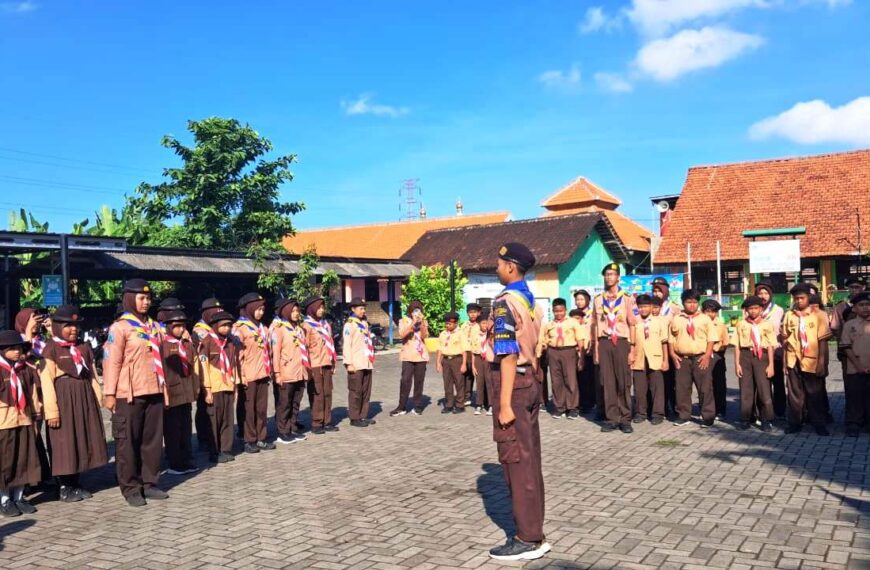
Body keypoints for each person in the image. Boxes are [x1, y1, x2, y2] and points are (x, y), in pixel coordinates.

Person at [487, 242, 548, 561]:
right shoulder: (530, 301)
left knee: (516, 461)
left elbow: (508, 354)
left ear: (511, 267)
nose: (495, 268)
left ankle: (527, 537)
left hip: (512, 384)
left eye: (498, 263)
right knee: (530, 458)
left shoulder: (504, 302)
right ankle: (534, 529)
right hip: (529, 380)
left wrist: (505, 403)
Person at [103, 278, 170, 507]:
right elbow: (112, 362)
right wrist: (109, 393)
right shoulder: (120, 327)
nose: (146, 302)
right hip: (128, 393)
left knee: (151, 441)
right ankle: (130, 487)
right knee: (127, 442)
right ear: (130, 299)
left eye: (148, 298)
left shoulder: (153, 327)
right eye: (141, 298)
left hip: (154, 390)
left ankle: (149, 482)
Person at [38, 306, 108, 502]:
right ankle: (64, 485)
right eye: (68, 326)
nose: (73, 330)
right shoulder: (51, 349)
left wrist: (99, 398)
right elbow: (46, 382)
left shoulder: (83, 347)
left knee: (81, 439)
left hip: (83, 399)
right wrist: (52, 412)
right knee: (64, 442)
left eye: (76, 326)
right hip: (64, 400)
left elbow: (92, 375)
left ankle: (76, 482)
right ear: (58, 327)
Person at [0, 331, 41, 517]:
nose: (18, 352)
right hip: (4, 423)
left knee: (23, 460)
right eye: (13, 348)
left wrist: (35, 416)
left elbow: (32, 395)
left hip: (23, 420)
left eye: (20, 348)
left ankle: (18, 497)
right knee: (5, 463)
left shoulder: (23, 369)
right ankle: (4, 500)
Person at [782, 283, 832, 436]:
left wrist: (822, 362)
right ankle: (795, 423)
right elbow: (785, 340)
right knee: (794, 394)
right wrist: (785, 363)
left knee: (814, 393)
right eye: (796, 298)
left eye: (802, 298)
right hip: (793, 359)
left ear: (809, 297)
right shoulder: (790, 315)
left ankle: (819, 424)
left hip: (812, 360)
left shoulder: (819, 315)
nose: (799, 301)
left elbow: (822, 341)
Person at [592, 263, 636, 433]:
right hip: (604, 342)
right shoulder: (598, 299)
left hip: (622, 342)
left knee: (623, 381)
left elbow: (633, 324)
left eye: (612, 274)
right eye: (606, 274)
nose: (609, 277)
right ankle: (612, 418)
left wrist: (632, 349)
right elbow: (595, 327)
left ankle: (625, 418)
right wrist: (596, 349)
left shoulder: (627, 298)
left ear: (618, 277)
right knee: (607, 382)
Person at [197, 310, 241, 463]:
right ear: (215, 326)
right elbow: (203, 367)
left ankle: (226, 448)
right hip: (214, 387)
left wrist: (235, 384)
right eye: (223, 326)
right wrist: (206, 389)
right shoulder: (207, 342)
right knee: (214, 420)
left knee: (227, 419)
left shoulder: (230, 342)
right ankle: (214, 451)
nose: (227, 329)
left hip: (227, 385)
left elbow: (233, 364)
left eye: (229, 325)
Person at [234, 293, 275, 453]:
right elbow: (237, 356)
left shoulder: (262, 328)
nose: (261, 312)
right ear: (249, 309)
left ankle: (261, 437)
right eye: (257, 309)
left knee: (261, 408)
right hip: (248, 375)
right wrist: (241, 375)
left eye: (262, 309)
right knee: (248, 409)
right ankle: (249, 439)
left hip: (263, 374)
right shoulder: (239, 329)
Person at [160, 310, 199, 475]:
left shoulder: (187, 344)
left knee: (185, 428)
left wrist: (195, 388)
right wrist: (164, 393)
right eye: (176, 326)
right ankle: (174, 462)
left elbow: (194, 366)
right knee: (173, 430)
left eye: (182, 326)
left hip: (186, 391)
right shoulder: (162, 345)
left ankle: (187, 459)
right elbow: (160, 370)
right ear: (168, 327)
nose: (180, 329)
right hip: (172, 393)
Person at [669, 289, 716, 428]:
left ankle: (707, 416)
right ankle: (684, 415)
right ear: (683, 303)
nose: (692, 305)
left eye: (695, 302)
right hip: (682, 358)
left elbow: (711, 338)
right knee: (682, 388)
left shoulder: (705, 318)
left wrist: (707, 355)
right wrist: (672, 354)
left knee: (705, 387)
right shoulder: (677, 319)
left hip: (700, 357)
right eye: (689, 302)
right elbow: (671, 338)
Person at [536, 298, 585, 420]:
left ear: (565, 310)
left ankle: (572, 407)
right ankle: (559, 407)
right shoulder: (549, 325)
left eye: (561, 311)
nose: (558, 313)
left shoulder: (573, 322)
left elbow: (580, 339)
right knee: (556, 380)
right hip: (553, 352)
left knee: (570, 379)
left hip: (569, 351)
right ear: (553, 311)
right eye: (556, 311)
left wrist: (581, 357)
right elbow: (544, 339)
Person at [732, 296, 775, 432]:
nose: (753, 311)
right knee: (746, 389)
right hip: (745, 356)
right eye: (750, 309)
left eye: (756, 308)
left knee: (764, 389)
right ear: (746, 310)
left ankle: (766, 419)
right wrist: (737, 364)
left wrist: (771, 365)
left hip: (761, 357)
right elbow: (737, 345)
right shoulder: (741, 324)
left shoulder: (767, 325)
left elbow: (770, 346)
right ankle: (746, 418)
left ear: (761, 309)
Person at [270, 298, 309, 444]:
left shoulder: (298, 329)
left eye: (297, 311)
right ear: (285, 312)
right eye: (293, 311)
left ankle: (292, 428)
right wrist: (277, 373)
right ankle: (283, 432)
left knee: (295, 402)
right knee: (284, 404)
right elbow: (276, 353)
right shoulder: (278, 329)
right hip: (286, 373)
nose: (296, 313)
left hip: (299, 371)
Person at [630, 294, 668, 425]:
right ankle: (641, 412)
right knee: (639, 388)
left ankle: (657, 413)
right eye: (640, 307)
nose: (643, 309)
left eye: (645, 306)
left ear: (651, 307)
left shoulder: (659, 322)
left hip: (655, 358)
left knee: (657, 387)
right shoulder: (635, 322)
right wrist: (631, 355)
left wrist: (666, 360)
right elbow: (632, 342)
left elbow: (664, 342)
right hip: (639, 358)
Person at [191, 297, 224, 450]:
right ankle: (203, 437)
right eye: (213, 311)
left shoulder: (214, 327)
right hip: (203, 372)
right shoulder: (200, 330)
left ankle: (212, 436)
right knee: (203, 407)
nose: (216, 314)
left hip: (217, 373)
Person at [302, 296, 338, 434]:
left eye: (323, 307)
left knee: (328, 392)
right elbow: (304, 347)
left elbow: (331, 344)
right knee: (317, 393)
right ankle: (317, 422)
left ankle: (327, 421)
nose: (322, 310)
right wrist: (307, 367)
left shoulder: (325, 324)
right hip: (315, 364)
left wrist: (333, 362)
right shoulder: (306, 326)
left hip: (326, 362)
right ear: (311, 309)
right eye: (319, 307)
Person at [840, 291, 870, 437]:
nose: (865, 308)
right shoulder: (849, 325)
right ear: (855, 308)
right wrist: (858, 366)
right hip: (855, 368)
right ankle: (854, 424)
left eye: (868, 305)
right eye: (861, 305)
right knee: (854, 397)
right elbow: (846, 347)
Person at [342, 298, 376, 428]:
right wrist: (348, 363)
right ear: (353, 309)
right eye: (360, 308)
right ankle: (354, 417)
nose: (363, 310)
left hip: (366, 362)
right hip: (356, 363)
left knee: (366, 391)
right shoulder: (349, 325)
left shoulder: (364, 323)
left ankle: (363, 415)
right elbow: (346, 345)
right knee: (356, 391)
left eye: (364, 308)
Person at [392, 301, 429, 416]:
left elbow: (424, 336)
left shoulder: (424, 321)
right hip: (408, 354)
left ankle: (418, 405)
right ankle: (401, 406)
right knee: (405, 381)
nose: (416, 312)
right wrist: (413, 323)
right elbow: (402, 335)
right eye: (414, 310)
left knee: (419, 380)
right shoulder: (403, 321)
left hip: (421, 355)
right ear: (410, 311)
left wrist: (421, 323)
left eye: (418, 310)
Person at [755, 281, 786, 419]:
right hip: (759, 351)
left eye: (766, 293)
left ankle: (780, 411)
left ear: (770, 295)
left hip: (776, 350)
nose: (763, 296)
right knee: (760, 383)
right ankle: (762, 412)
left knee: (778, 382)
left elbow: (782, 331)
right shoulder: (750, 309)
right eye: (760, 293)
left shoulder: (778, 310)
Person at [651, 277, 678, 419]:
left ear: (666, 290)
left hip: (669, 347)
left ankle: (673, 407)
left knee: (670, 381)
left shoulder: (674, 308)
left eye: (659, 291)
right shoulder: (649, 307)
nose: (656, 294)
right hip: (653, 348)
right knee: (655, 380)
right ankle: (658, 408)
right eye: (654, 291)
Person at [702, 299, 730, 420]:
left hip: (717, 355)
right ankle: (707, 409)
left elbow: (726, 341)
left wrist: (718, 348)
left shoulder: (720, 324)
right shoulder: (699, 323)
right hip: (703, 355)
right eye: (708, 311)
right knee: (705, 384)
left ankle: (720, 410)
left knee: (719, 384)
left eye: (714, 312)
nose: (711, 314)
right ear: (703, 312)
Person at [437, 312, 467, 414]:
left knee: (459, 383)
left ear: (455, 323)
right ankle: (449, 404)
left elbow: (464, 350)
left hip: (457, 360)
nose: (447, 325)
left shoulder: (460, 333)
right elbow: (440, 349)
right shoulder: (443, 334)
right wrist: (438, 363)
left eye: (449, 324)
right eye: (446, 323)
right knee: (447, 383)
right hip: (446, 360)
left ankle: (460, 405)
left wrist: (463, 364)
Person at [572, 290, 596, 414]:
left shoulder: (592, 314)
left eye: (582, 299)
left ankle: (590, 402)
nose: (579, 302)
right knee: (578, 378)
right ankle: (579, 402)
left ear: (587, 300)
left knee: (589, 377)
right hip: (576, 351)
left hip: (588, 350)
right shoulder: (573, 315)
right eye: (577, 299)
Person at [474, 308, 493, 416]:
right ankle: (479, 404)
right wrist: (473, 365)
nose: (484, 325)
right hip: (478, 359)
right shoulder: (476, 335)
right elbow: (473, 351)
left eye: (486, 323)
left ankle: (491, 405)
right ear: (479, 324)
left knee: (489, 382)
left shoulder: (491, 335)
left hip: (489, 360)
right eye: (482, 323)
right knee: (479, 382)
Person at [462, 303, 482, 407]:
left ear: (479, 313)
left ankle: (480, 399)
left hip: (476, 353)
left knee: (477, 375)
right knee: (466, 376)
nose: (473, 315)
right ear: (467, 313)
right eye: (470, 312)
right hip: (466, 353)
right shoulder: (464, 325)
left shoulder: (480, 325)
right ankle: (466, 397)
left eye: (475, 312)